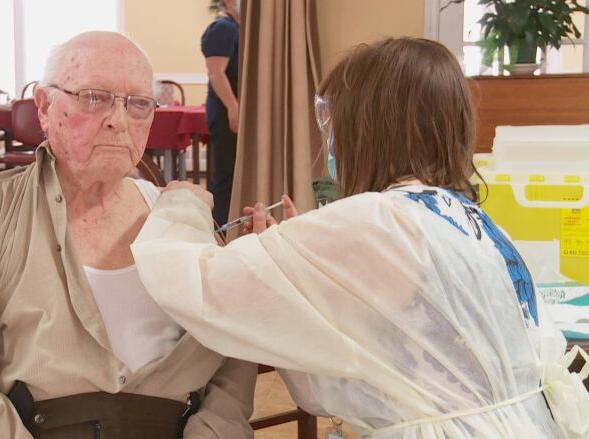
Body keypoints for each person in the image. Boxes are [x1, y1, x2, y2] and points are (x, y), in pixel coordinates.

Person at [132, 38, 589, 438]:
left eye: (333, 122)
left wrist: (182, 204)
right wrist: (292, 269)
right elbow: (348, 370)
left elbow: (194, 285)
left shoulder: (377, 221)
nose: (329, 138)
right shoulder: (465, 216)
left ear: (367, 128)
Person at [0, 31, 256, 439]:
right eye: (94, 97)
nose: (118, 120)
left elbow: (231, 359)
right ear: (44, 106)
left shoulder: (180, 215)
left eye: (138, 104)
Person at [202, 0, 241, 228]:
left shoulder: (240, 29)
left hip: (234, 107)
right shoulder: (223, 28)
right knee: (226, 174)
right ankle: (221, 231)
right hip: (227, 110)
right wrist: (233, 107)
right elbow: (216, 72)